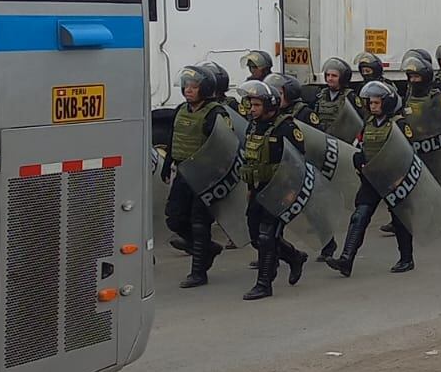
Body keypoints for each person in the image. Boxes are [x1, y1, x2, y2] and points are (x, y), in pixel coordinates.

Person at [326, 80, 416, 276]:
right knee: (359, 216)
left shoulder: (399, 124)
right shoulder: (368, 125)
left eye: (376, 103)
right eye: (371, 103)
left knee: (400, 219)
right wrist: (359, 161)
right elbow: (359, 147)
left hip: (393, 180)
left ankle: (406, 259)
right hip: (372, 178)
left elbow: (408, 153)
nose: (372, 106)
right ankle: (346, 259)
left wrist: (400, 177)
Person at [236, 79, 311, 300]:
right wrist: (250, 188)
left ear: (269, 105)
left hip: (280, 190)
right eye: (251, 104)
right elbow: (251, 159)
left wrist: (291, 192)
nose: (252, 109)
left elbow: (298, 162)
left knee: (267, 236)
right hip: (259, 189)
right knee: (256, 236)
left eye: (257, 105)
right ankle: (295, 257)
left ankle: (264, 284)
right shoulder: (253, 126)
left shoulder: (287, 128)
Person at [164, 64, 229, 289]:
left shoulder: (216, 113)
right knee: (174, 218)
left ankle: (198, 272)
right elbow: (174, 138)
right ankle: (208, 248)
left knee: (200, 223)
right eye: (186, 86)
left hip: (205, 176)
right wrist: (167, 164)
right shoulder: (181, 110)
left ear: (205, 88)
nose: (188, 90)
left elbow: (224, 147)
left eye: (193, 86)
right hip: (183, 172)